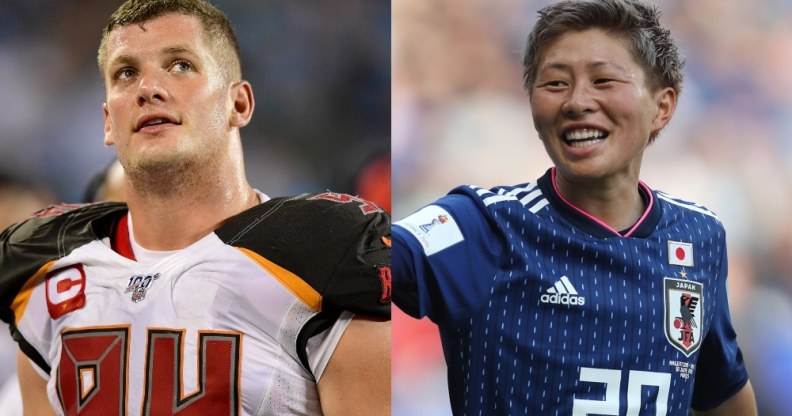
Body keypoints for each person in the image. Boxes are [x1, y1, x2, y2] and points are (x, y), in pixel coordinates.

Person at [0, 0, 391, 415]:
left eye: (180, 65)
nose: (148, 88)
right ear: (108, 122)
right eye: (126, 73)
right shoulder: (45, 269)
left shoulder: (322, 255)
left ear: (238, 104)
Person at [392, 0, 756, 414]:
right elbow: (369, 257)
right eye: (555, 84)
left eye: (603, 80)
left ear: (662, 106)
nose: (577, 101)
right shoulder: (483, 225)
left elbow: (723, 393)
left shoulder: (699, 237)